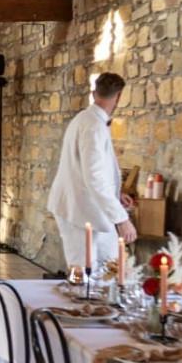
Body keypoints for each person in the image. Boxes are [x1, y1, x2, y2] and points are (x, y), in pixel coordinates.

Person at [46, 72, 137, 270]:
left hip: (92, 208)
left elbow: (90, 170)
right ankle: (78, 300)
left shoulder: (85, 119)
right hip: (79, 211)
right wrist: (122, 219)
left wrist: (115, 194)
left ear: (94, 93)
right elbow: (94, 177)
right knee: (82, 273)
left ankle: (102, 300)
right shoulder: (93, 126)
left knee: (110, 267)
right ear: (119, 96)